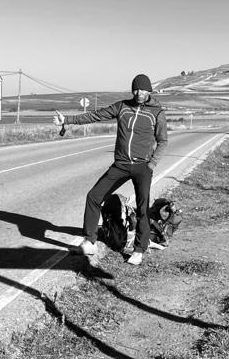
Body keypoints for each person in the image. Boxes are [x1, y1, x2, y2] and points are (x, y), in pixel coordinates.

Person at [53, 74, 168, 265]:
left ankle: (139, 249)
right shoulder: (122, 107)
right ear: (133, 90)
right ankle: (90, 241)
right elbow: (96, 115)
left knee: (142, 209)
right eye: (136, 89)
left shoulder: (156, 112)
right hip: (121, 165)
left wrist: (151, 164)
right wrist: (67, 120)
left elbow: (163, 141)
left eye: (143, 89)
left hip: (142, 167)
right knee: (94, 196)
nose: (139, 93)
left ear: (149, 91)